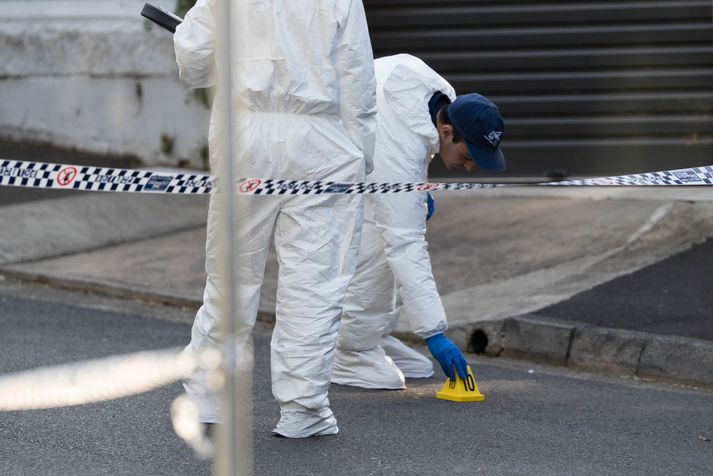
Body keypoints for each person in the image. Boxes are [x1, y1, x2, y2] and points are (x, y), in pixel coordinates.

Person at [173, 0, 376, 437]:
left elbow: (192, 55)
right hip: (322, 140)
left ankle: (208, 397)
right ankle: (303, 409)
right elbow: (357, 77)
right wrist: (364, 158)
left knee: (232, 274)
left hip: (244, 132)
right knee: (313, 281)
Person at [332, 54, 505, 390]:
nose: (470, 168)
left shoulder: (442, 98)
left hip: (360, 145)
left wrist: (415, 186)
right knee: (383, 239)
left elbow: (414, 143)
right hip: (322, 162)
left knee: (393, 226)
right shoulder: (397, 141)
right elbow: (406, 244)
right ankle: (349, 350)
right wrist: (435, 334)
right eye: (468, 156)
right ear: (446, 131)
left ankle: (373, 334)